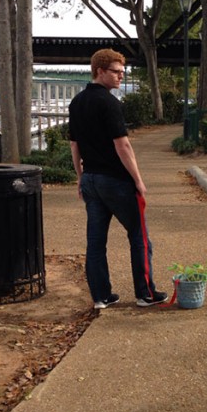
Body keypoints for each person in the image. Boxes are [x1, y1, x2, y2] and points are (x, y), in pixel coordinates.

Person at [68, 48, 168, 309]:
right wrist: (138, 179)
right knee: (139, 236)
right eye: (116, 72)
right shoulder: (109, 103)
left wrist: (81, 177)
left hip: (91, 179)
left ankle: (101, 296)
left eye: (123, 72)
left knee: (96, 240)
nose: (121, 76)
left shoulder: (76, 103)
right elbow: (122, 145)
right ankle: (145, 293)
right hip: (115, 181)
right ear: (99, 71)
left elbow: (74, 146)